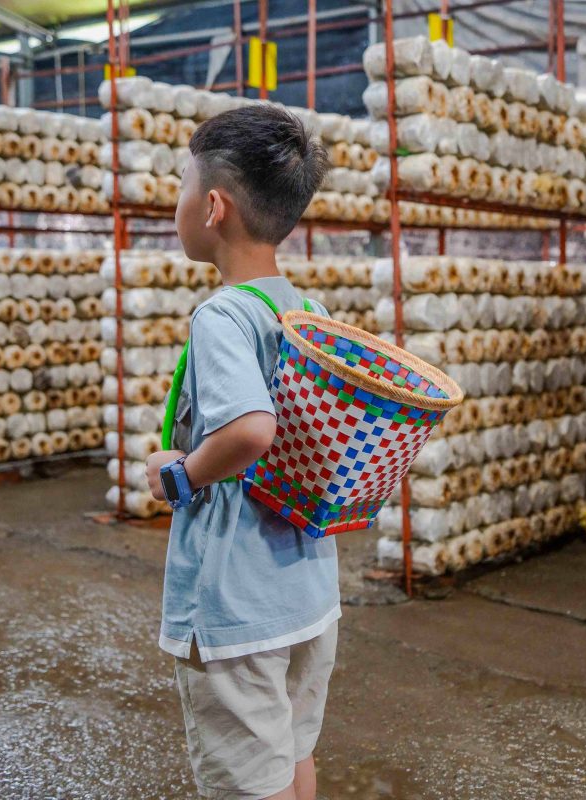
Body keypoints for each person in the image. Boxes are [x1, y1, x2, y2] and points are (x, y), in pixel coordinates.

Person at [145, 103, 335, 800]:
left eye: (181, 189)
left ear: (214, 207)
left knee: (246, 780)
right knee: (291, 752)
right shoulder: (301, 309)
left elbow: (251, 430)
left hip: (238, 597)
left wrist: (180, 475)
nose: (178, 205)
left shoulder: (222, 314)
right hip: (306, 586)